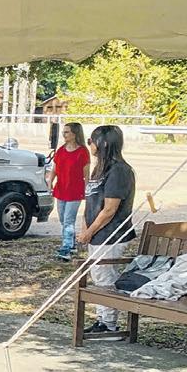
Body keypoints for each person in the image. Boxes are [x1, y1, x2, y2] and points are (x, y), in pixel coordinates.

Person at [80, 125, 136, 336]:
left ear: (103, 143)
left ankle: (109, 324)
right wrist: (85, 227)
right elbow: (90, 201)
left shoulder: (119, 171)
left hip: (112, 233)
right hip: (97, 233)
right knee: (98, 275)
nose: (89, 145)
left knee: (105, 277)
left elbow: (110, 209)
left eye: (91, 141)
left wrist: (90, 231)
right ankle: (102, 319)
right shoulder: (99, 169)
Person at [47, 121, 91, 262]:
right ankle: (71, 244)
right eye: (63, 132)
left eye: (67, 132)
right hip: (61, 189)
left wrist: (87, 190)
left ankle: (66, 247)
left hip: (75, 191)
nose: (64, 135)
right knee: (62, 218)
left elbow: (86, 174)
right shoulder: (61, 150)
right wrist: (50, 181)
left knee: (68, 220)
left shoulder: (82, 152)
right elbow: (55, 169)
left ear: (75, 134)